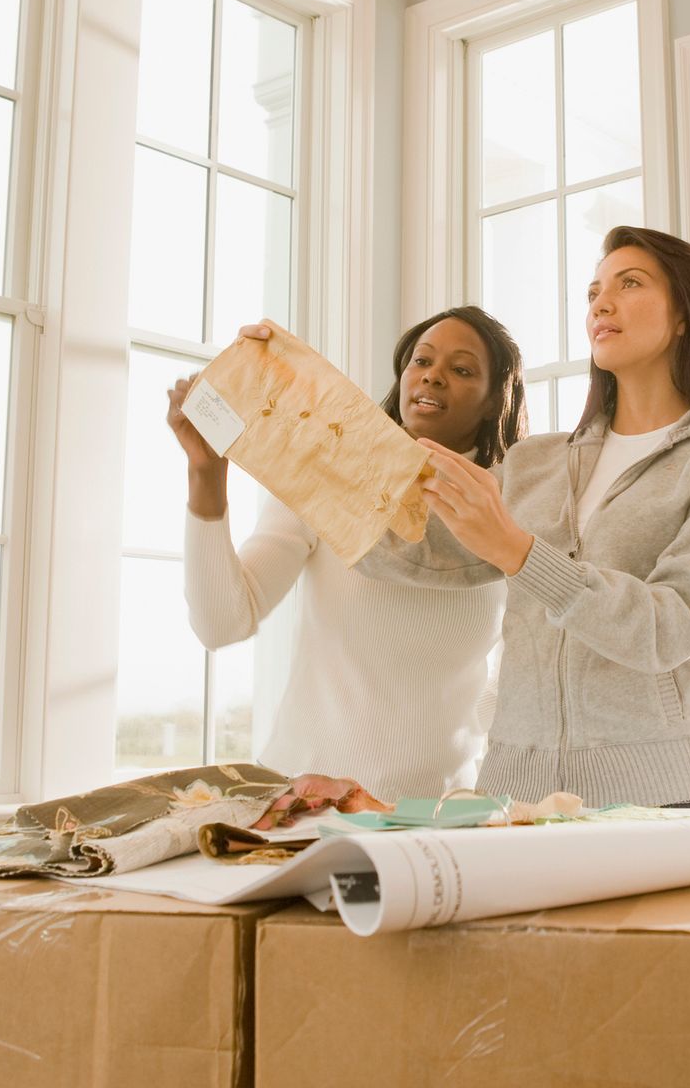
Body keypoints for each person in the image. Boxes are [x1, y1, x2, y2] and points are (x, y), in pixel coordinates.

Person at [365, 226, 690, 809]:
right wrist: (281, 431)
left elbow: (669, 627)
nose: (600, 304)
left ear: (686, 314)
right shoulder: (535, 461)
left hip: (662, 802)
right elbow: (410, 553)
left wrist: (519, 552)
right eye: (592, 293)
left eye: (629, 284)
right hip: (515, 802)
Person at [166, 307, 526, 800]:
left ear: (493, 401)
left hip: (436, 813)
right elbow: (221, 622)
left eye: (461, 370)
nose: (432, 376)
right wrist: (206, 475)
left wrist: (461, 761)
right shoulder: (326, 480)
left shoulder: (509, 514)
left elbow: (513, 682)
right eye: (421, 361)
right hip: (305, 805)